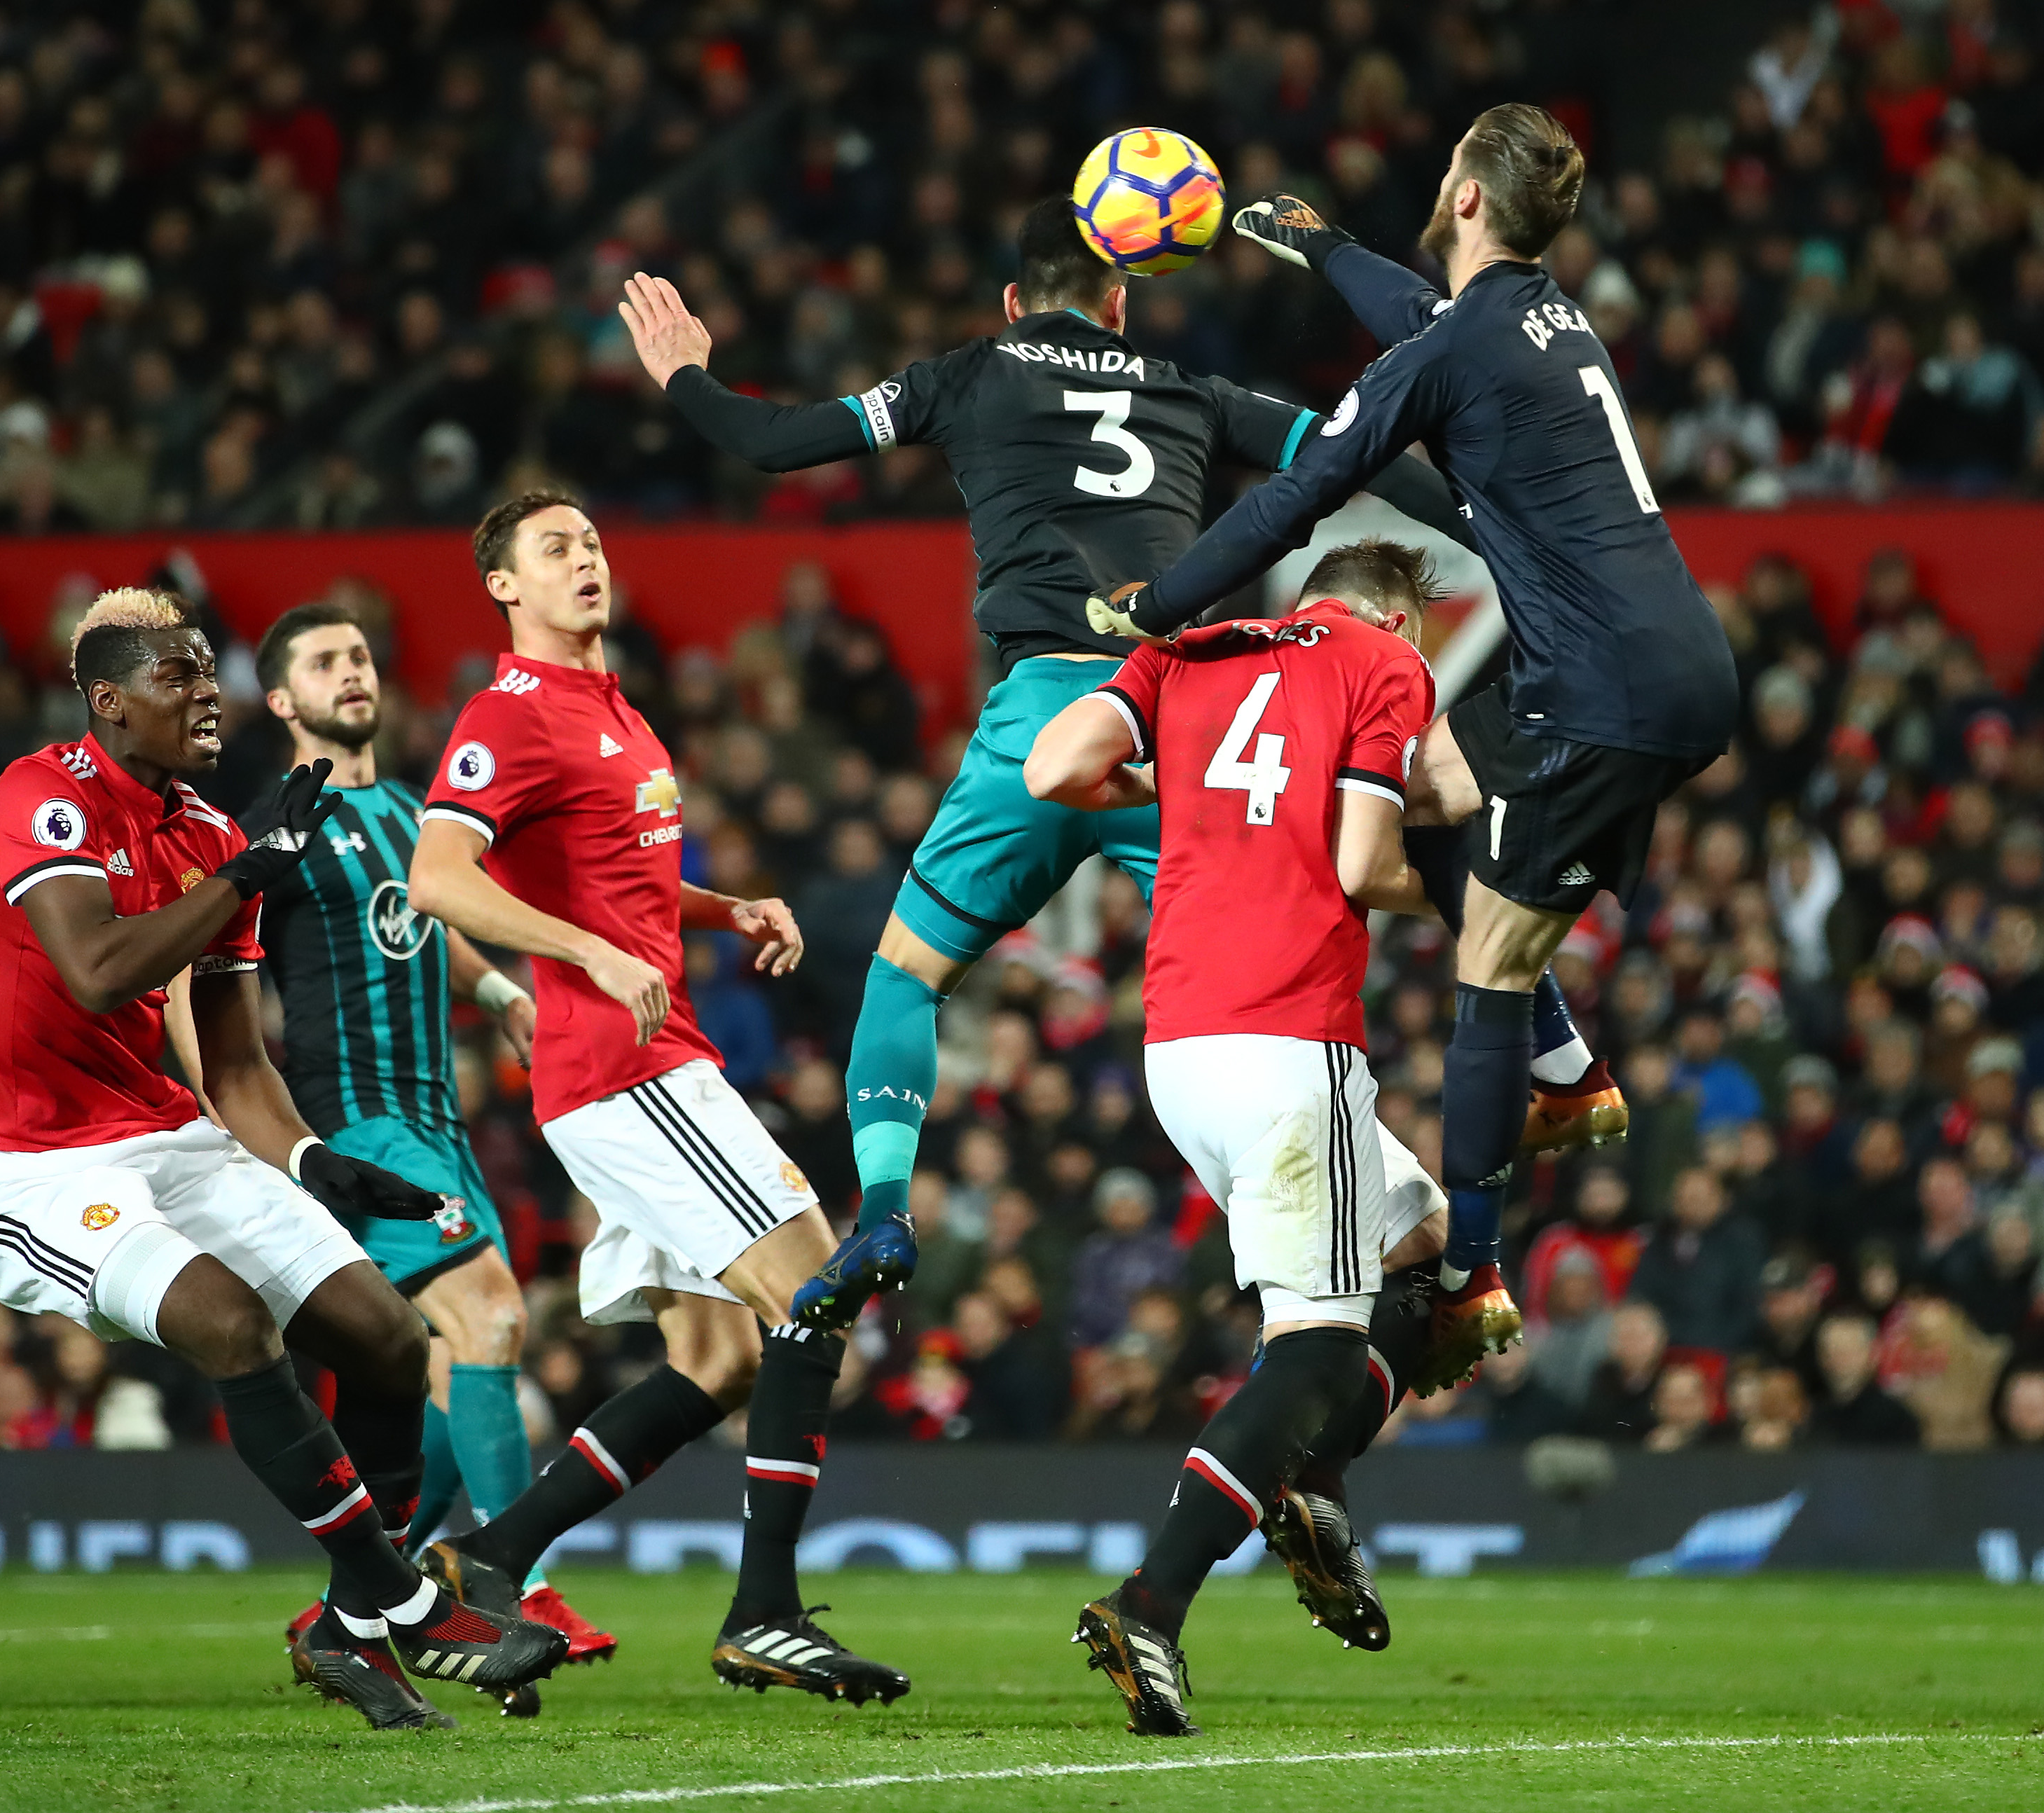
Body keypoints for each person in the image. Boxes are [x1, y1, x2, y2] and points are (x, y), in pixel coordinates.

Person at [620, 196, 1601, 1337]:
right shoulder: (1188, 391)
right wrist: (1513, 536)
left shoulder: (967, 374)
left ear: (1010, 300)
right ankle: (1527, 1093)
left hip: (1044, 725)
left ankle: (883, 1211)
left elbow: (770, 442)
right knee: (1334, 901)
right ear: (1121, 300)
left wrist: (686, 376)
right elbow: (1360, 459)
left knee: (905, 978)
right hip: (1184, 716)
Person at [1122, 105, 1741, 1383]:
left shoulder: (1459, 346)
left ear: (1464, 194)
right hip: (1663, 661)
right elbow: (1422, 312)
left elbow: (1301, 495)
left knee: (1493, 964)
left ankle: (1468, 1278)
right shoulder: (1542, 321)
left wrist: (1157, 605)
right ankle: (1569, 1075)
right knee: (1406, 790)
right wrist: (1318, 243)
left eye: (1448, 160)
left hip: (1596, 688)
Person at [0, 587, 565, 1732]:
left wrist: (312, 1160)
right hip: (29, 1161)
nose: (205, 692)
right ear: (108, 703)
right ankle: (401, 1596)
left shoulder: (217, 834)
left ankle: (348, 1626)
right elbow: (95, 971)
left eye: (204, 670)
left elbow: (233, 1071)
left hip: (169, 1131)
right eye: (176, 676)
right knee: (234, 1323)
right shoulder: (45, 798)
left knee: (385, 1338)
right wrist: (246, 877)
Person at [406, 492, 908, 1707]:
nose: (583, 561)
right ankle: (767, 1614)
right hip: (626, 1072)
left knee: (720, 1353)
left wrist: (719, 907)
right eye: (553, 550)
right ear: (503, 588)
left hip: (648, 1062)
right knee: (816, 1293)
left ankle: (490, 1557)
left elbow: (610, 882)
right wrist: (581, 960)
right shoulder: (509, 713)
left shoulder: (613, 708)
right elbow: (436, 876)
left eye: (590, 542)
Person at [1024, 538, 1450, 1735]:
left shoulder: (1186, 654)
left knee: (1427, 1246)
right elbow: (1364, 861)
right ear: (1397, 621)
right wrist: (1472, 896)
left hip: (1179, 1047)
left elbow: (1055, 768)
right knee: (1314, 1350)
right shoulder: (1382, 666)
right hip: (1286, 1036)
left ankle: (1308, 1482)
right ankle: (1150, 1601)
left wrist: (1184, 780)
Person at [239, 600, 614, 1697]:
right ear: (280, 699)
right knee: (489, 1314)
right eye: (322, 662)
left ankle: (356, 1602)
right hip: (354, 1123)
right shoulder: (279, 829)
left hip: (436, 1116)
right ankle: (508, 1579)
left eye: (359, 656)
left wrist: (497, 988)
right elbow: (207, 957)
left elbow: (424, 924)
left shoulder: (412, 810)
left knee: (450, 1364)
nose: (351, 674)